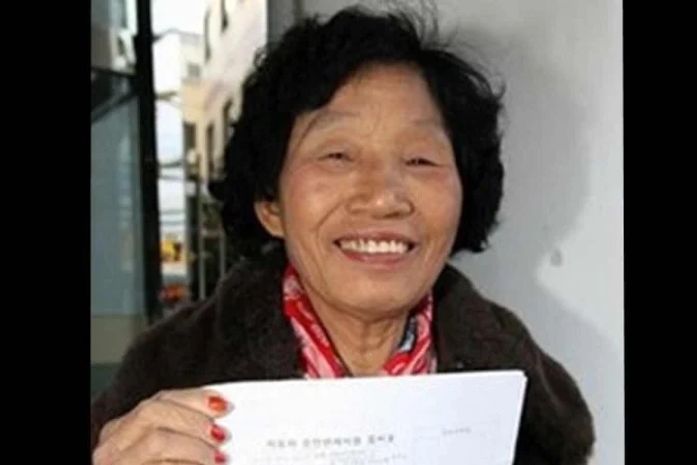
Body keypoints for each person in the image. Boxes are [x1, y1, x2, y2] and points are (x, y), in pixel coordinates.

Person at [91, 6, 594, 465]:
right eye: (337, 156)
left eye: (420, 159)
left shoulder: (531, 404)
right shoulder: (165, 379)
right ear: (270, 203)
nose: (383, 197)